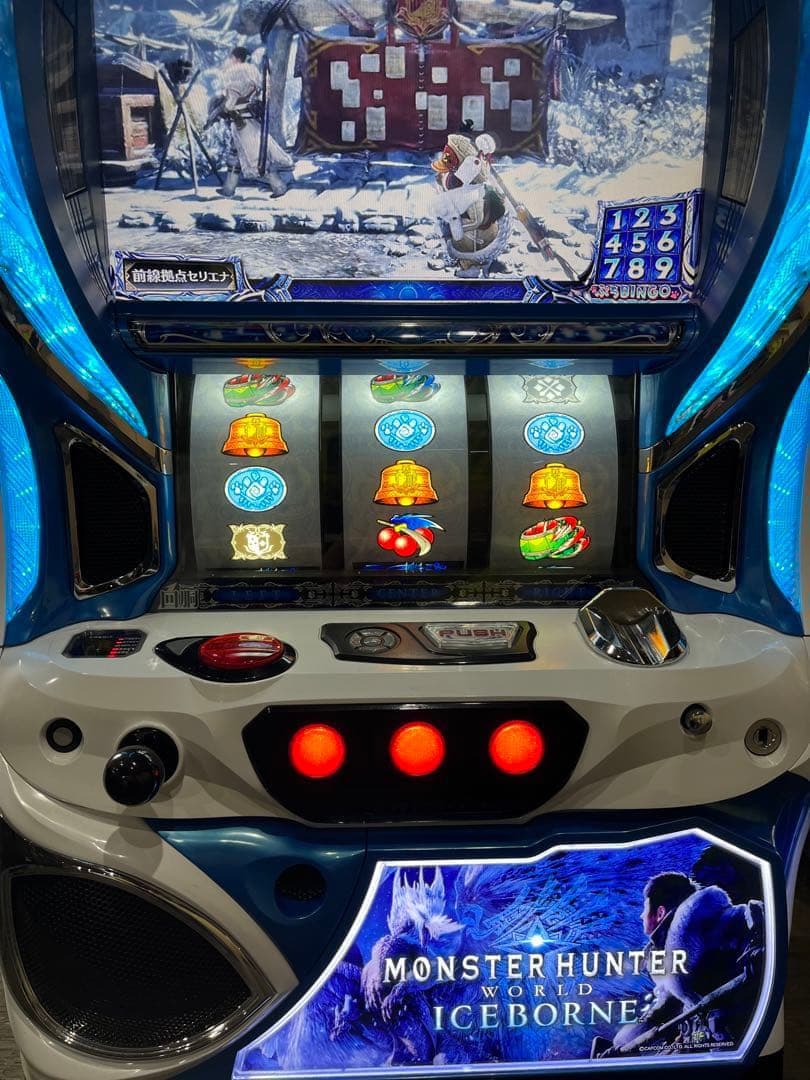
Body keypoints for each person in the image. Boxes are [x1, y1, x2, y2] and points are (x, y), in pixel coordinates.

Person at [608, 871, 764, 1056]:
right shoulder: (666, 954)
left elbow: (755, 920)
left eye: (645, 907)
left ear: (660, 912)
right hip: (713, 1042)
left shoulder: (716, 925)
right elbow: (667, 1007)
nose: (642, 915)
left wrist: (621, 1043)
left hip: (737, 1041)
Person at [209, 46, 293, 198]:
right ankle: (228, 189)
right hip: (247, 119)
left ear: (236, 58)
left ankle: (279, 186)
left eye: (231, 57)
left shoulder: (234, 73)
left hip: (241, 122)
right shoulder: (252, 70)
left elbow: (231, 101)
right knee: (235, 155)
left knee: (255, 160)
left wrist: (220, 110)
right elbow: (259, 92)